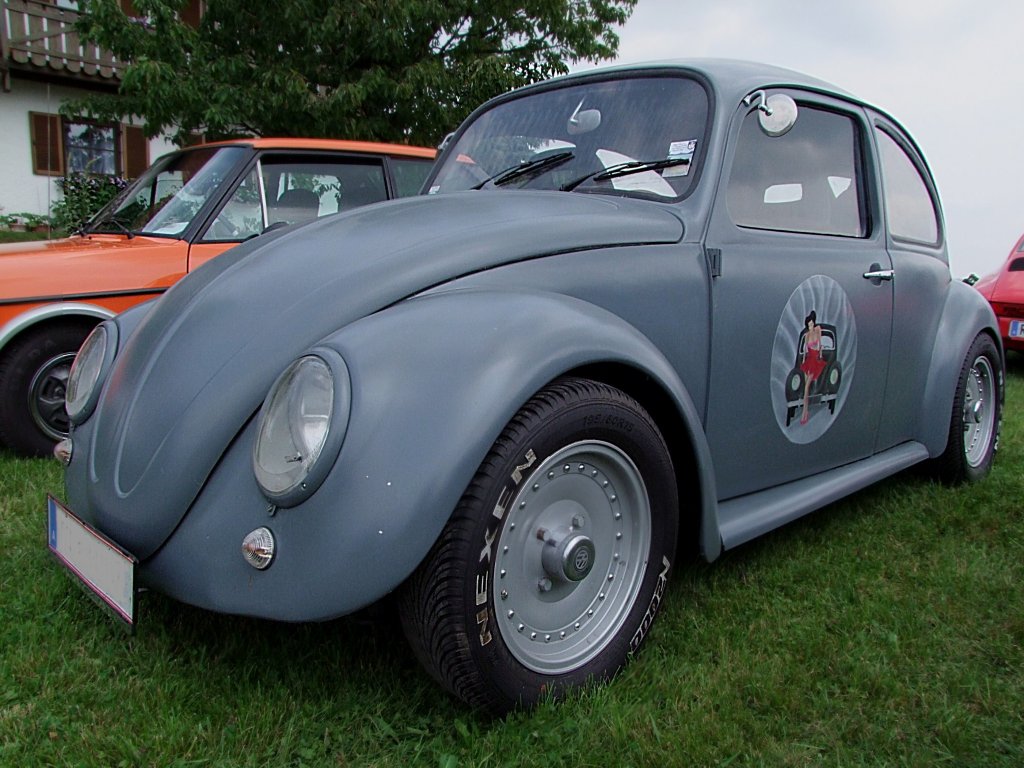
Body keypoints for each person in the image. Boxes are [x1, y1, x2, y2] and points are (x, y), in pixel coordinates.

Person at [799, 311, 826, 425]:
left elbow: (820, 344)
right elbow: (805, 351)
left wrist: (820, 354)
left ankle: (804, 413)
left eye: (812, 323)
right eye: (809, 324)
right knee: (805, 388)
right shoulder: (807, 335)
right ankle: (805, 412)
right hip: (809, 361)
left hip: (815, 360)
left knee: (806, 388)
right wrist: (803, 361)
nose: (811, 325)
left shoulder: (817, 329)